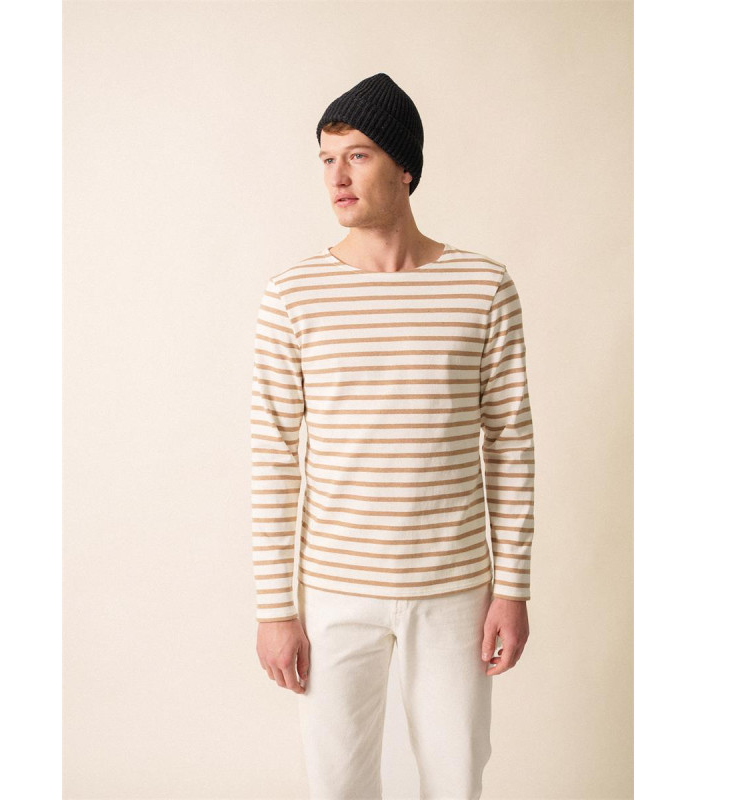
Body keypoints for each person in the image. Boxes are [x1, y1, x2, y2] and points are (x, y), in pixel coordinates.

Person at [250, 72, 534, 800]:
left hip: (455, 590)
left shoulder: (483, 287)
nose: (336, 177)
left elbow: (510, 444)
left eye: (358, 155)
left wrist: (511, 589)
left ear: (405, 166)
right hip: (335, 590)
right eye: (326, 158)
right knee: (336, 786)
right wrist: (275, 608)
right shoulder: (293, 296)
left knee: (455, 780)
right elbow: (274, 458)